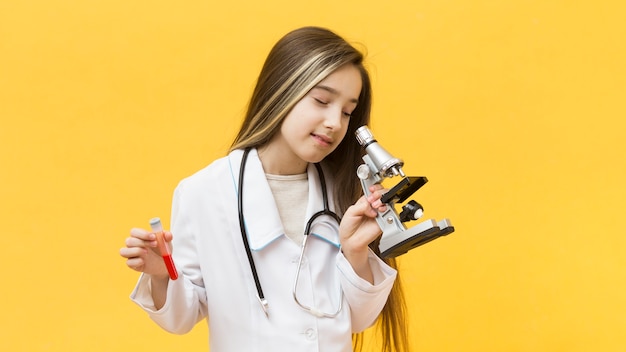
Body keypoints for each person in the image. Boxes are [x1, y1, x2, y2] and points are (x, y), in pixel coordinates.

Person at [120, 26, 409, 352]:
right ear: (281, 90)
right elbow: (181, 317)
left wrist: (356, 255)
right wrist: (162, 274)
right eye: (322, 100)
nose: (334, 122)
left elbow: (358, 320)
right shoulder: (203, 192)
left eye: (347, 112)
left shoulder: (345, 193)